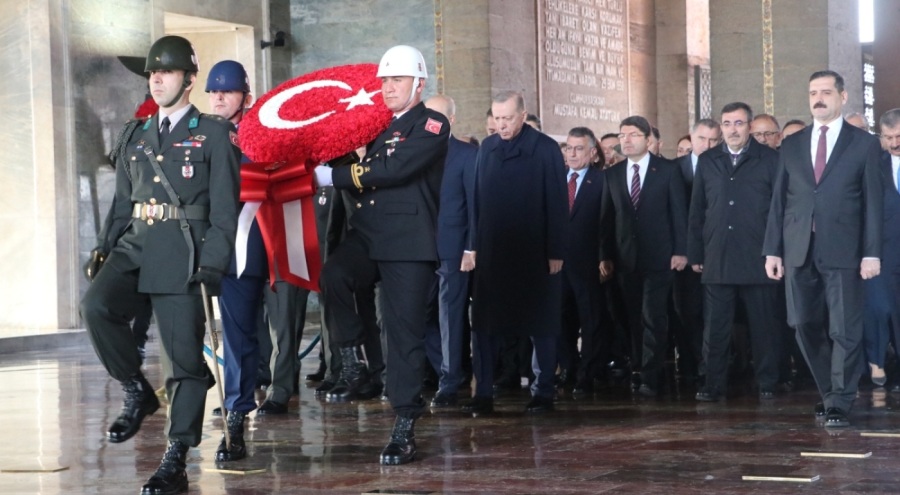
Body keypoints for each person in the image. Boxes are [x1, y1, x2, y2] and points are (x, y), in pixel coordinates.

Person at [80, 35, 240, 494]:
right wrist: (104, 246)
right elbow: (122, 203)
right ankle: (136, 389)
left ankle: (176, 456)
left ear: (189, 80)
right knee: (95, 308)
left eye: (166, 72)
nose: (156, 79)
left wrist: (214, 262)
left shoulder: (213, 134)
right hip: (135, 245)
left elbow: (227, 211)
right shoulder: (135, 134)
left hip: (183, 250)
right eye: (152, 72)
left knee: (185, 363)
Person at [315, 45, 449, 465]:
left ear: (419, 85)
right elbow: (361, 174)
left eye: (397, 81)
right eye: (385, 81)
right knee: (334, 276)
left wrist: (334, 175)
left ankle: (405, 422)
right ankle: (353, 359)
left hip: (408, 243)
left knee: (403, 333)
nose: (388, 88)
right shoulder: (377, 126)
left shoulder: (431, 123)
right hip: (371, 234)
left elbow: (393, 171)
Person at [763, 70, 883, 428]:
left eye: (826, 92)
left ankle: (840, 400)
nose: (818, 98)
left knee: (844, 328)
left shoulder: (863, 144)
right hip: (798, 247)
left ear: (842, 97)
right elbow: (779, 201)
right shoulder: (793, 144)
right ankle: (831, 391)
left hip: (844, 250)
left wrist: (871, 252)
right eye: (813, 92)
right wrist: (773, 250)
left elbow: (873, 205)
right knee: (801, 322)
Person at [464, 90, 567, 415]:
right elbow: (477, 203)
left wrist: (556, 251)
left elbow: (557, 203)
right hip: (493, 253)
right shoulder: (488, 148)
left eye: (508, 118)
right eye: (497, 118)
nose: (502, 124)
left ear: (523, 116)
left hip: (534, 253)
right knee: (485, 325)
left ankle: (544, 392)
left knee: (541, 324)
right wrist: (474, 247)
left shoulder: (546, 149)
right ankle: (483, 393)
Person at [688, 102, 784, 401]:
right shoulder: (708, 161)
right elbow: (697, 210)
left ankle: (769, 381)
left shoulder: (770, 159)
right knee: (715, 328)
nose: (733, 129)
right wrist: (695, 253)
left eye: (739, 123)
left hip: (758, 255)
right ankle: (712, 384)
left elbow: (778, 211)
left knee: (763, 324)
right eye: (727, 123)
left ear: (750, 126)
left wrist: (775, 251)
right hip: (717, 253)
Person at [599, 115, 688, 397]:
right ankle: (638, 367)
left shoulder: (668, 170)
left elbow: (678, 213)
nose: (626, 139)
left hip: (660, 257)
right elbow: (606, 219)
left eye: (633, 134)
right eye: (622, 135)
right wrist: (605, 255)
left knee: (653, 316)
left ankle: (652, 375)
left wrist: (681, 250)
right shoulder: (612, 174)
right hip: (626, 259)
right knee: (632, 315)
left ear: (648, 139)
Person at [203, 59, 261, 462]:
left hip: (243, 247)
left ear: (246, 97)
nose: (219, 96)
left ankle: (237, 418)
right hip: (201, 247)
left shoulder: (258, 139)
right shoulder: (200, 135)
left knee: (239, 338)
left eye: (227, 90)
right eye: (214, 90)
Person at [422, 95, 477, 408]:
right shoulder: (415, 152)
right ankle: (444, 368)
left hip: (454, 250)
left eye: (438, 116)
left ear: (451, 120)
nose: (431, 121)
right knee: (423, 315)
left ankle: (450, 380)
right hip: (419, 249)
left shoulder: (467, 155)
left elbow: (475, 205)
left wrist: (471, 247)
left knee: (450, 316)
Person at [671, 119, 721, 384]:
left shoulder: (723, 166)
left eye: (714, 140)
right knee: (687, 311)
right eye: (702, 139)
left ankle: (710, 365)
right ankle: (690, 363)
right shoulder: (673, 169)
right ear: (692, 138)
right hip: (683, 254)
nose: (708, 145)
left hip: (715, 253)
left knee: (714, 313)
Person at [558, 127, 606, 395]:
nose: (573, 153)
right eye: (569, 148)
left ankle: (587, 373)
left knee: (590, 320)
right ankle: (568, 368)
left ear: (592, 152)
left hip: (588, 264)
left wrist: (603, 257)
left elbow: (607, 223)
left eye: (579, 149)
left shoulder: (602, 181)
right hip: (557, 265)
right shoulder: (556, 179)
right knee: (560, 320)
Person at [861, 108, 900, 388]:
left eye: (899, 136)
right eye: (888, 137)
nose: (895, 143)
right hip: (884, 252)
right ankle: (878, 362)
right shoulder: (875, 165)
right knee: (883, 308)